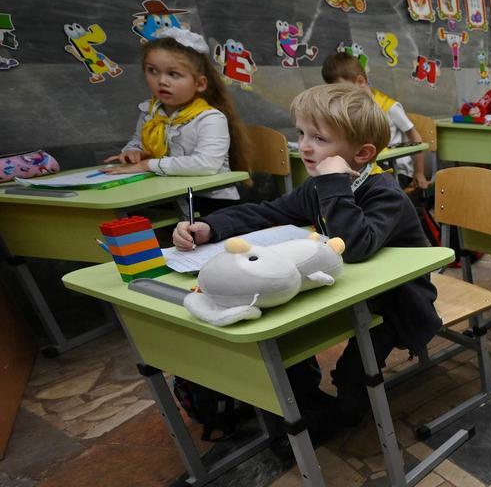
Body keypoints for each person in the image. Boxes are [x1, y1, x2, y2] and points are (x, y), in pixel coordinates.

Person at [170, 84, 440, 435]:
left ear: (362, 153)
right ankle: (305, 408)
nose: (305, 146)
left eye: (320, 138)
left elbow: (356, 246)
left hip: (399, 303)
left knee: (352, 374)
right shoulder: (319, 187)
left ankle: (346, 419)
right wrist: (210, 226)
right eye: (301, 133)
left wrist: (333, 185)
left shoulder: (384, 194)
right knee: (283, 340)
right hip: (346, 292)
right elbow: (269, 212)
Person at [104, 27, 249, 204]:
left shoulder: (210, 118)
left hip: (210, 201)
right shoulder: (150, 113)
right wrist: (134, 152)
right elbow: (138, 141)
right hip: (168, 195)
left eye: (173, 74)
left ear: (200, 83)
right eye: (152, 71)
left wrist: (147, 165)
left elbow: (206, 165)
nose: (162, 81)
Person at [322, 51, 428, 190]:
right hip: (364, 170)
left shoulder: (388, 106)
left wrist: (419, 173)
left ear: (360, 81)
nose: (339, 95)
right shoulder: (348, 111)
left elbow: (415, 137)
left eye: (342, 89)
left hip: (397, 172)